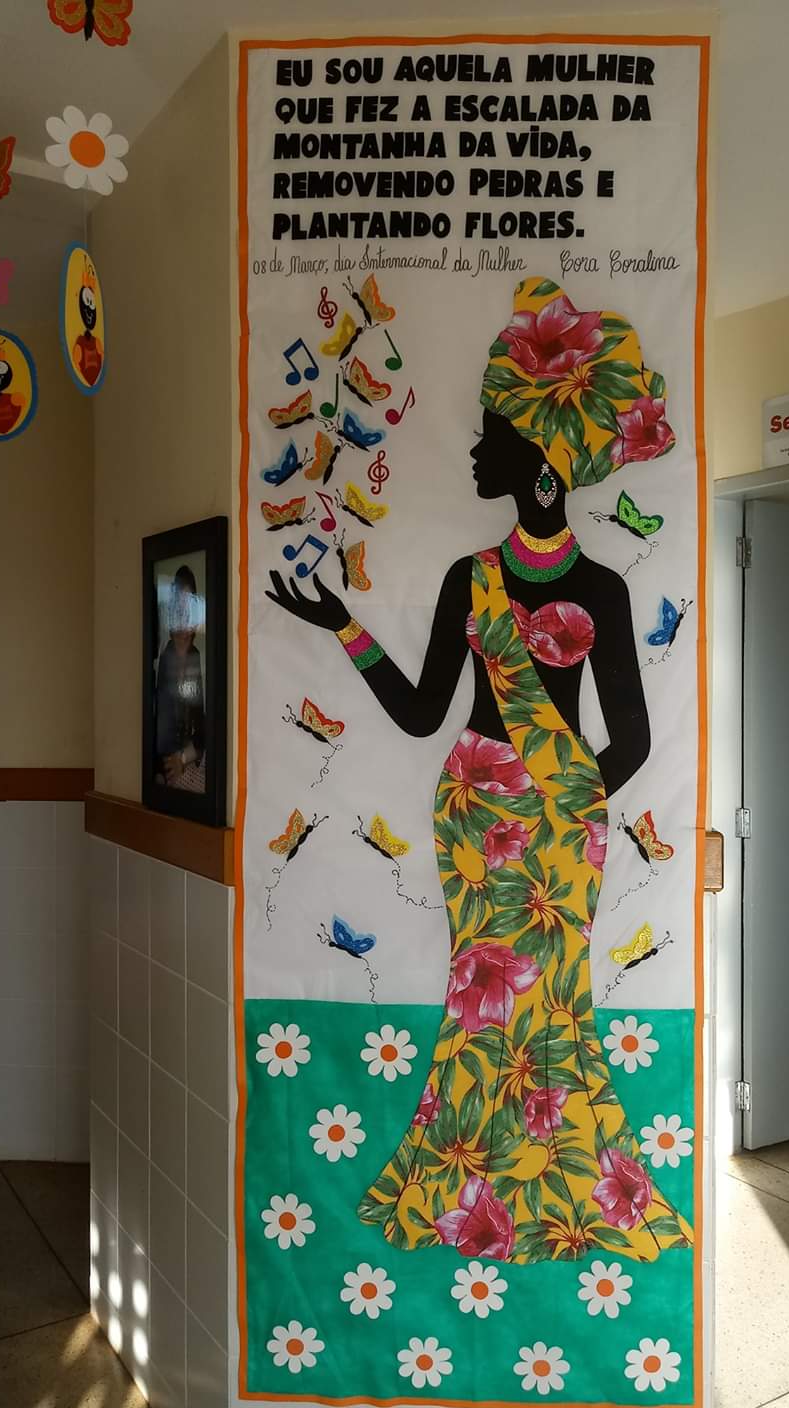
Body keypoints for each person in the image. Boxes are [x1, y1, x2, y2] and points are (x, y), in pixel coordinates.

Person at [268, 276, 690, 1265]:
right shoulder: (472, 579)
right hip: (474, 819)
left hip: (557, 827)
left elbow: (630, 740)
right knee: (481, 1000)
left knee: (554, 1005)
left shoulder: (601, 589)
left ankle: (564, 1190)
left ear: (539, 463)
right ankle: (465, 1190)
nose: (473, 448)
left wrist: (560, 805)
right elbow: (424, 711)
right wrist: (341, 624)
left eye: (492, 435)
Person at [154, 565, 206, 791]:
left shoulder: (199, 657)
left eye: (189, 608)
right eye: (178, 607)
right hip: (161, 773)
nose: (183, 616)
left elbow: (207, 726)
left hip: (192, 768)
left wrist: (183, 758)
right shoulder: (161, 660)